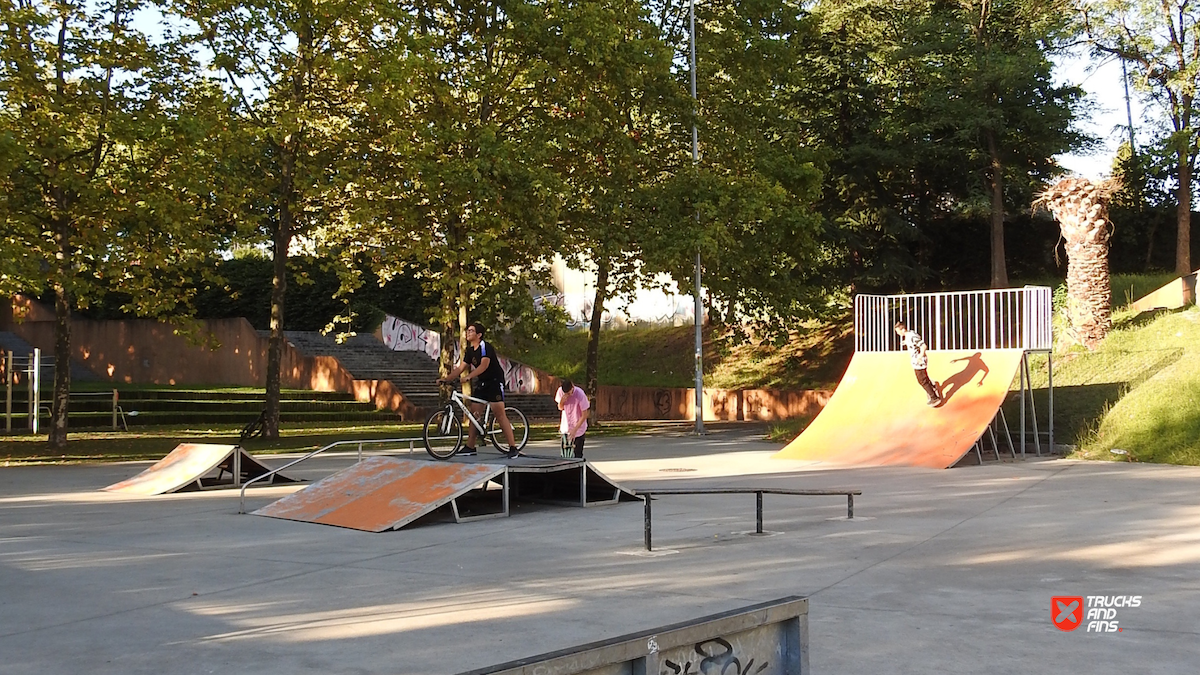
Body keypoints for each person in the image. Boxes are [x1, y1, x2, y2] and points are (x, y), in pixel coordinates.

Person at [435, 322, 521, 458]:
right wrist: (446, 379)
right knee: (474, 415)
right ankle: (470, 447)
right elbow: (459, 368)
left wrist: (469, 377)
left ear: (479, 335)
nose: (468, 332)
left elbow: (484, 366)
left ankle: (513, 447)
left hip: (495, 381)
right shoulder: (469, 351)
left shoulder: (485, 347)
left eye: (471, 331)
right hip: (482, 383)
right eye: (467, 330)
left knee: (499, 414)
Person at [894, 320, 942, 407]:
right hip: (917, 360)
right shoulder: (909, 335)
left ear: (903, 329)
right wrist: (906, 343)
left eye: (898, 331)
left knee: (921, 380)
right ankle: (932, 386)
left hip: (919, 361)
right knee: (924, 376)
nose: (898, 334)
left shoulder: (911, 336)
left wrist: (920, 356)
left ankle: (934, 398)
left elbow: (923, 346)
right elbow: (914, 343)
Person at [555, 380, 589, 459]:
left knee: (577, 454)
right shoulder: (560, 391)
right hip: (566, 427)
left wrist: (575, 430)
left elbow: (584, 415)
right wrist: (562, 401)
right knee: (565, 455)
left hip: (579, 427)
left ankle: (578, 470)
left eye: (569, 393)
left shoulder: (580, 394)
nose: (568, 395)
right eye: (566, 393)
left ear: (573, 387)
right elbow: (560, 408)